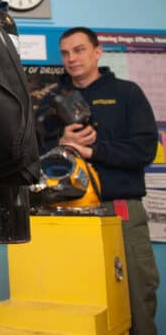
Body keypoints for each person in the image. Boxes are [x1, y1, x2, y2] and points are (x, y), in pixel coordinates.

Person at [36, 26, 160, 335]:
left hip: (119, 209)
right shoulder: (52, 100)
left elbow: (145, 149)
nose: (71, 58)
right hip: (68, 211)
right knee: (77, 297)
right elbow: (31, 152)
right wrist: (60, 140)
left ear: (97, 51)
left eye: (78, 50)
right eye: (65, 53)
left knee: (136, 294)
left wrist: (93, 151)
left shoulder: (127, 93)